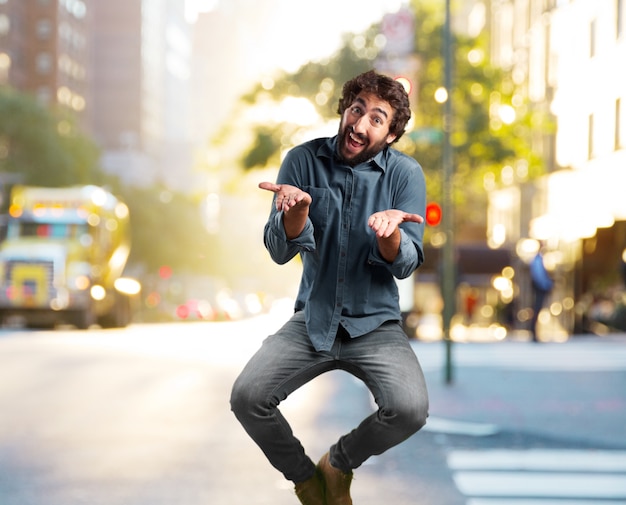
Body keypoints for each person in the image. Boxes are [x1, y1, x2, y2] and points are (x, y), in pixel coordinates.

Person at [230, 70, 429, 505]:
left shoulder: (405, 175)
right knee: (247, 397)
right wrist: (295, 216)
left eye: (377, 119)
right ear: (344, 109)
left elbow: (408, 262)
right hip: (313, 319)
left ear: (391, 133)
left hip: (375, 325)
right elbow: (278, 250)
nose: (360, 125)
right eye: (357, 110)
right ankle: (307, 481)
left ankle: (337, 463)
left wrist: (391, 238)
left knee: (411, 409)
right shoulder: (301, 161)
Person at [529, 246, 553, 342]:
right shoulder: (538, 260)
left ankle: (534, 332)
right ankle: (533, 332)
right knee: (536, 310)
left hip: (540, 287)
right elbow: (539, 275)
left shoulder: (538, 260)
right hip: (540, 288)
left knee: (537, 310)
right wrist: (546, 285)